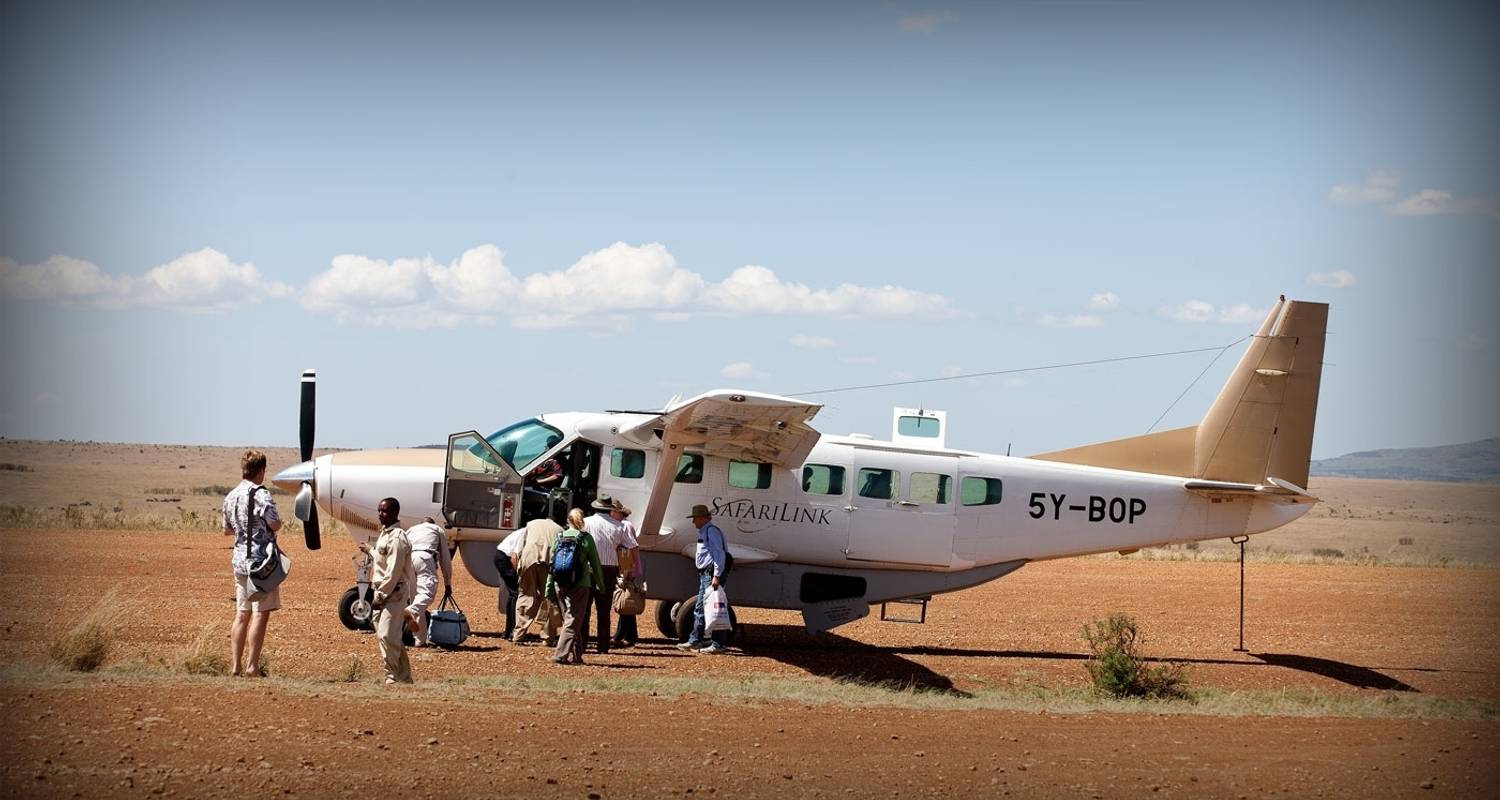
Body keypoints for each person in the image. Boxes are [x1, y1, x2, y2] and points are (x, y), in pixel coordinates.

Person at [222, 449, 284, 678]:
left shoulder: (230, 496)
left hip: (239, 562)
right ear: (260, 471)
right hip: (261, 564)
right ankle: (252, 666)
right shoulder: (261, 495)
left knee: (241, 613)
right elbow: (275, 524)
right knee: (260, 613)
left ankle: (235, 666)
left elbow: (227, 530)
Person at [363, 497, 415, 683]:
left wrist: (380, 595)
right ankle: (404, 677)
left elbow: (393, 571)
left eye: (384, 511)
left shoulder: (398, 537)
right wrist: (369, 550)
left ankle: (391, 677)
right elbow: (382, 558)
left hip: (393, 594)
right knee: (390, 636)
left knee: (387, 635)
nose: (380, 514)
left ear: (394, 513)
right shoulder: (385, 534)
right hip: (383, 592)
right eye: (379, 510)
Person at [545, 508, 604, 665]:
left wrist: (549, 588)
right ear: (582, 521)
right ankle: (560, 655)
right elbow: (596, 565)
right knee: (573, 620)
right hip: (581, 584)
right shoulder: (586, 539)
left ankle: (577, 656)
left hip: (560, 584)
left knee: (572, 620)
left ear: (568, 521)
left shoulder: (558, 538)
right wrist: (600, 585)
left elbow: (552, 566)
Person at [583, 493, 638, 654]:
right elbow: (630, 547)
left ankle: (582, 643)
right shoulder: (619, 526)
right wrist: (631, 567)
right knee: (604, 609)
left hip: (588, 568)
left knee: (585, 608)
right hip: (609, 569)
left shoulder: (585, 523)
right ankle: (603, 645)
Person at [676, 503, 729, 654]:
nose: (693, 522)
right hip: (707, 573)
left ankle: (713, 643)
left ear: (702, 518)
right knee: (703, 607)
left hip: (710, 573)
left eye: (695, 518)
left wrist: (716, 576)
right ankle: (696, 640)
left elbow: (719, 554)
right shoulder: (707, 531)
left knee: (711, 607)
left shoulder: (711, 532)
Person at [512, 517, 563, 644]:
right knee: (550, 598)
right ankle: (548, 637)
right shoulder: (560, 529)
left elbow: (519, 548)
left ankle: (518, 635)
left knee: (526, 595)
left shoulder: (530, 524)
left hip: (529, 559)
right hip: (549, 562)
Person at [404, 517, 453, 647]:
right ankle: (411, 610)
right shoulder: (437, 529)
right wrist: (448, 582)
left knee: (417, 599)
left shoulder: (411, 530)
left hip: (408, 560)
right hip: (424, 557)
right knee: (427, 593)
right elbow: (445, 559)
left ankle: (420, 640)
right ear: (432, 523)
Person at [610, 503, 645, 649]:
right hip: (627, 567)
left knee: (625, 600)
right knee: (627, 600)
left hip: (626, 568)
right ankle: (629, 636)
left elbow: (632, 547)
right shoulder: (623, 525)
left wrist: (630, 569)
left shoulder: (624, 526)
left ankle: (620, 636)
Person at [494, 526, 526, 639]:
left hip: (502, 556)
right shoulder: (525, 534)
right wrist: (518, 575)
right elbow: (514, 557)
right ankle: (511, 630)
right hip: (504, 558)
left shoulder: (525, 531)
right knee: (515, 594)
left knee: (513, 594)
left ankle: (509, 631)